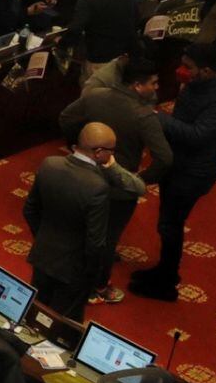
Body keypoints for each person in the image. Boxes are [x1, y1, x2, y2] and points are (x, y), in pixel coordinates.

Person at [61, 54, 170, 303]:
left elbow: (66, 118)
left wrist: (79, 149)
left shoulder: (95, 95)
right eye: (153, 83)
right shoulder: (144, 116)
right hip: (119, 189)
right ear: (137, 85)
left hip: (84, 176)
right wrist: (140, 178)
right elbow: (164, 158)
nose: (156, 87)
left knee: (82, 229)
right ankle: (98, 287)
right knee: (107, 240)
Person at [133, 42, 216, 300]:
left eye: (189, 67)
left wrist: (158, 117)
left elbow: (197, 135)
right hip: (177, 165)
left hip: (192, 174)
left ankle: (166, 283)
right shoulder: (196, 86)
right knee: (167, 223)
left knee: (170, 225)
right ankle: (163, 270)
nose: (182, 70)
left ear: (206, 71)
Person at [25, 121, 133, 319]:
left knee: (35, 311)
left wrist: (42, 238)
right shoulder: (98, 187)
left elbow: (30, 210)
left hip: (42, 256)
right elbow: (96, 243)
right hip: (74, 270)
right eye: (111, 150)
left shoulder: (49, 164)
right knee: (63, 324)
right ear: (99, 152)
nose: (113, 156)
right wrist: (92, 276)